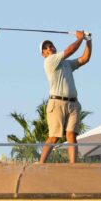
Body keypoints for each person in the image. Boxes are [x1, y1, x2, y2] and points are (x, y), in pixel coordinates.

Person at [39, 31, 92, 164]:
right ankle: (40, 164)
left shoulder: (66, 63)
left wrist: (88, 40)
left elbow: (84, 59)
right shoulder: (49, 61)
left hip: (73, 104)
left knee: (71, 135)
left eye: (50, 46)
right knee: (54, 137)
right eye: (45, 48)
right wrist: (80, 38)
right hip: (57, 103)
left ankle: (73, 166)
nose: (49, 48)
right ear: (43, 54)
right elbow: (71, 49)